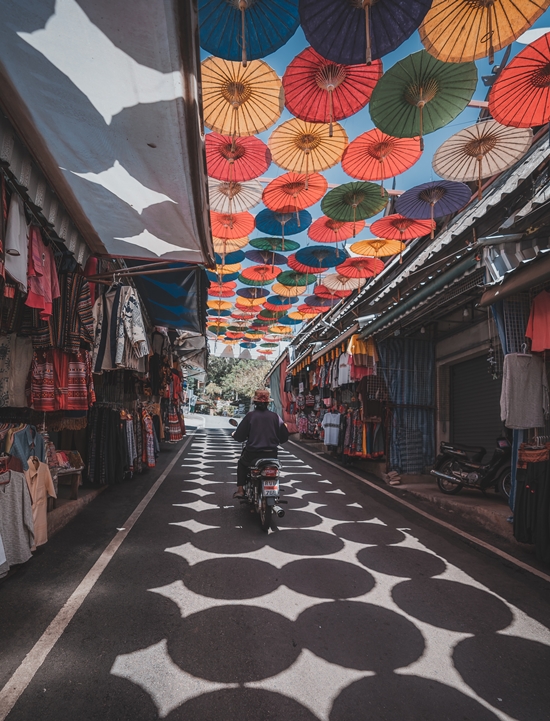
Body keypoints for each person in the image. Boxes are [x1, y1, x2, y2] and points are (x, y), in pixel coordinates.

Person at [232, 389, 289, 499]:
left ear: (255, 402)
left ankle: (240, 490)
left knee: (242, 464)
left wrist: (235, 435)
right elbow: (284, 437)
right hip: (271, 454)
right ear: (268, 403)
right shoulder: (275, 417)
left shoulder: (250, 416)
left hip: (252, 454)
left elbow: (240, 437)